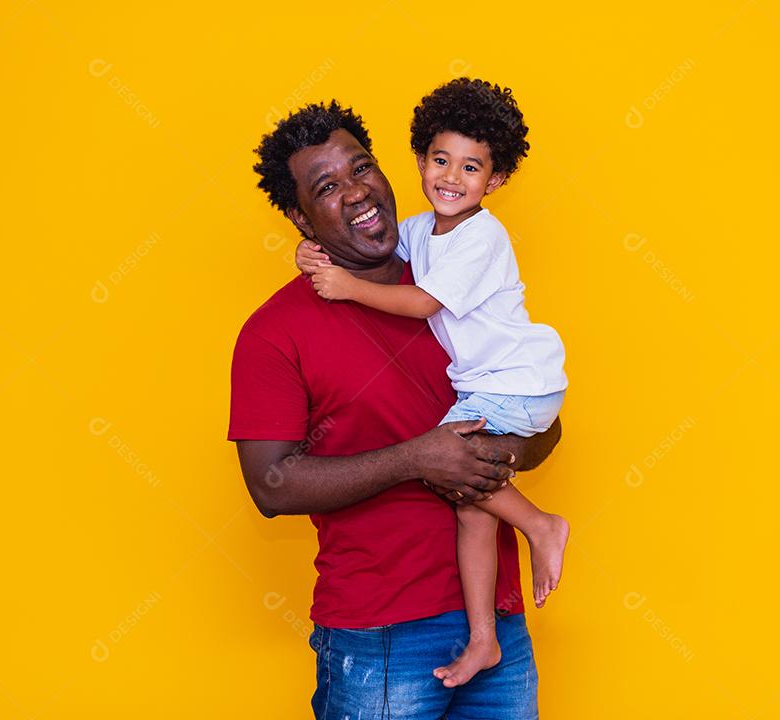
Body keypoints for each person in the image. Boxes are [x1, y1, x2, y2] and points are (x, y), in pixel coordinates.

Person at [232, 99, 561, 719]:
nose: (357, 193)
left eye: (362, 168)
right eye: (327, 187)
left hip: (495, 622)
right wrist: (420, 459)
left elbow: (543, 426)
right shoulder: (273, 334)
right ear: (302, 222)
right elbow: (270, 486)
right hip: (378, 637)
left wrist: (482, 454)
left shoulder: (451, 266)